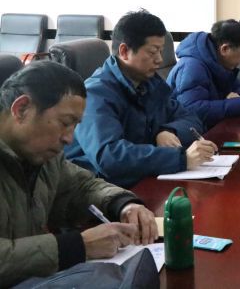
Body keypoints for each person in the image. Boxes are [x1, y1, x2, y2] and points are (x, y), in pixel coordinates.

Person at [0, 61, 158, 287]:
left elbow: (81, 186)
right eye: (65, 123)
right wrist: (77, 246)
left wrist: (123, 204)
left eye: (74, 125)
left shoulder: (43, 156)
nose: (69, 138)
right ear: (22, 109)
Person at [65, 10, 217, 188]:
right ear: (124, 51)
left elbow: (191, 119)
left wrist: (167, 131)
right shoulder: (95, 94)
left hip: (145, 178)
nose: (159, 60)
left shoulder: (150, 84)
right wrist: (181, 159)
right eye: (153, 52)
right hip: (101, 190)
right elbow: (109, 157)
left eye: (161, 51)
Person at [167, 19, 240, 130]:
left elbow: (237, 85)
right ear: (225, 49)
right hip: (187, 132)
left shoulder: (221, 61)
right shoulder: (192, 67)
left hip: (211, 126)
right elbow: (193, 110)